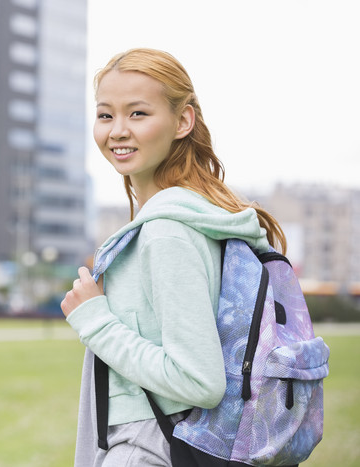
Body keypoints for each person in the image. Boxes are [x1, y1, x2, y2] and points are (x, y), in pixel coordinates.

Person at [60, 48, 287, 466]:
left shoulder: (167, 231)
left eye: (139, 114)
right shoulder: (197, 218)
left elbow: (198, 381)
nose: (117, 131)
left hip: (149, 448)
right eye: (106, 115)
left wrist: (95, 320)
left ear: (183, 121)